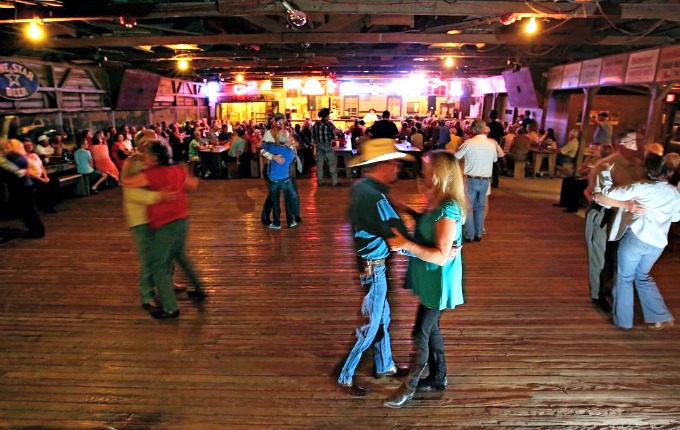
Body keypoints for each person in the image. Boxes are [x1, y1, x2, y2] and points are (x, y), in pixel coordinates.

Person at [383, 150, 465, 409]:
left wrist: (405, 244)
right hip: (431, 278)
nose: (422, 174)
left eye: (427, 171)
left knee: (420, 333)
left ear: (440, 174)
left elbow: (441, 256)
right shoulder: (438, 201)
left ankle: (409, 386)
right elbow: (429, 225)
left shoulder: (449, 208)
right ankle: (439, 378)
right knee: (432, 330)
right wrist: (406, 210)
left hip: (439, 279)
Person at [336, 138, 416, 396]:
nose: (397, 167)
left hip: (367, 264)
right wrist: (434, 254)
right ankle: (345, 375)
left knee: (383, 318)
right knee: (372, 325)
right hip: (375, 267)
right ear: (382, 164)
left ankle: (385, 365)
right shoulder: (375, 196)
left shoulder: (361, 189)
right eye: (394, 162)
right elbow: (397, 236)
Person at [594, 150, 680, 330]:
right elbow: (675, 218)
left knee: (624, 278)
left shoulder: (643, 188)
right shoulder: (673, 193)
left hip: (637, 240)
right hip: (657, 245)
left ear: (649, 172)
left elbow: (605, 194)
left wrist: (605, 173)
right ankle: (659, 316)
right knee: (642, 276)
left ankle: (623, 321)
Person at [120, 141, 205, 319]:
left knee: (159, 266)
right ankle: (199, 288)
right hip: (182, 220)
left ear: (155, 158)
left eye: (147, 154)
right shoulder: (176, 170)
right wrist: (186, 171)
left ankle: (170, 308)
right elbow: (193, 185)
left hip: (165, 224)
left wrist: (128, 164)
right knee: (180, 255)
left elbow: (125, 182)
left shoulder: (151, 174)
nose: (144, 157)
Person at [454, 120, 497, 242]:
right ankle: (479, 233)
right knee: (480, 207)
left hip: (471, 179)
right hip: (485, 180)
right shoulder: (491, 143)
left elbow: (457, 156)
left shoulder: (469, 143)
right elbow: (494, 160)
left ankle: (470, 234)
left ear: (473, 130)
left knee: (468, 207)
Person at [312, 108, 339, 187]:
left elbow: (313, 136)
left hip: (319, 145)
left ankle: (320, 181)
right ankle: (334, 181)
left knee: (319, 164)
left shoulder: (316, 124)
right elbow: (333, 136)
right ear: (327, 116)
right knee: (331, 163)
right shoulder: (329, 125)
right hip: (328, 145)